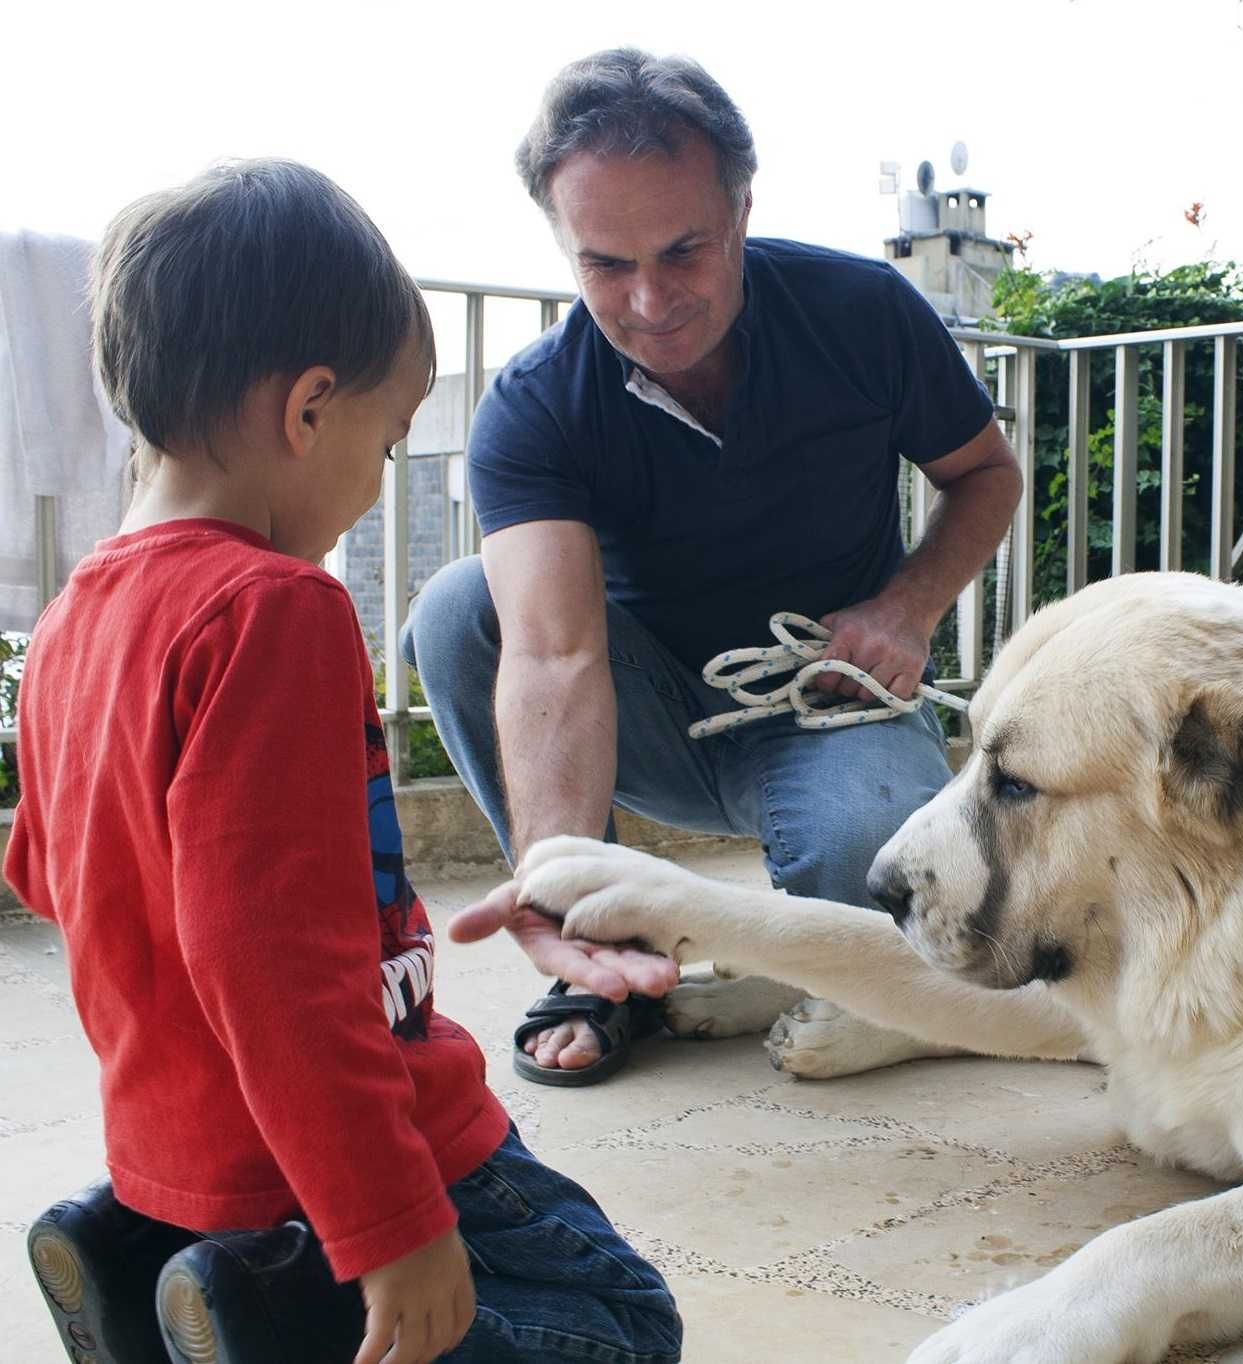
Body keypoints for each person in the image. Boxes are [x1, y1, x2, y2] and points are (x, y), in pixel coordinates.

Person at [6, 159, 681, 1364]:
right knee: (623, 1319)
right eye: (387, 439)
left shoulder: (71, 617)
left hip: (176, 1147)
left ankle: (129, 1247)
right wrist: (389, 1216)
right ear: (308, 407)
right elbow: (273, 958)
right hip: (363, 1134)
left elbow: (44, 869)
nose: (379, 482)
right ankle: (290, 1319)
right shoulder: (275, 607)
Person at [403, 48, 1023, 1085]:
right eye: (605, 264)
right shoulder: (534, 405)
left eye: (683, 250)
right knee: (460, 607)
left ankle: (781, 942)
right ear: (562, 246)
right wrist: (563, 885)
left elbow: (985, 473)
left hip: (833, 706)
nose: (650, 302)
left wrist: (908, 607)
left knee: (879, 880)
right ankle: (603, 960)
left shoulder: (862, 313)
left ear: (739, 208)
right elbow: (552, 656)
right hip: (647, 712)